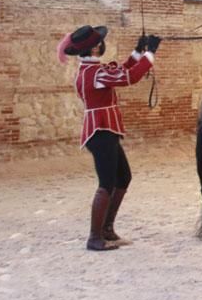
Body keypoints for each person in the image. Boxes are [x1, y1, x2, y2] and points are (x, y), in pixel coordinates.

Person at [58, 24, 159, 251]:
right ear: (95, 48)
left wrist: (138, 51)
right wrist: (151, 53)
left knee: (123, 178)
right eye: (100, 42)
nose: (102, 45)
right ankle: (95, 237)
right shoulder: (96, 74)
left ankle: (107, 230)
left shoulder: (92, 70)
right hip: (101, 132)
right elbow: (130, 76)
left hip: (106, 131)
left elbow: (122, 69)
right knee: (106, 184)